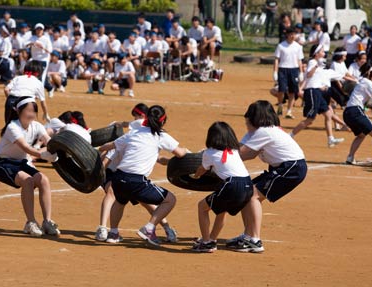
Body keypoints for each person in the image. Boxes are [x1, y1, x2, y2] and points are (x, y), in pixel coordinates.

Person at [99, 105, 188, 246]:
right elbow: (180, 153)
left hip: (119, 178)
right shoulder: (161, 136)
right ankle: (149, 228)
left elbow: (109, 145)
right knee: (170, 199)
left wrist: (96, 150)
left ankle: (113, 233)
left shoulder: (133, 133)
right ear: (162, 121)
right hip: (137, 181)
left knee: (120, 202)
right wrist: (188, 152)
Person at [226, 100, 307, 253]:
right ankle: (248, 236)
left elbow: (243, 154)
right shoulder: (258, 132)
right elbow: (241, 152)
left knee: (252, 196)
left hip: (291, 168)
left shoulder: (264, 131)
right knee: (246, 192)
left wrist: (214, 158)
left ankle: (255, 240)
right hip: (287, 167)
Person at [0, 96, 60, 237]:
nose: (31, 114)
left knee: (44, 180)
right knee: (28, 181)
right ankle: (30, 222)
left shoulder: (37, 126)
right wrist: (43, 156)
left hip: (22, 162)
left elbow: (50, 142)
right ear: (18, 111)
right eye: (28, 110)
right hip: (3, 163)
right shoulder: (12, 127)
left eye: (33, 111)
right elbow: (26, 147)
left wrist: (57, 152)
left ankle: (47, 222)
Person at [191, 122, 253, 253]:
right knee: (221, 210)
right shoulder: (234, 151)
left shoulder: (209, 153)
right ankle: (212, 239)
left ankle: (206, 242)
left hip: (232, 185)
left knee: (202, 207)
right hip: (248, 185)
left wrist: (195, 176)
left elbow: (202, 169)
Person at [290, 44, 345, 148]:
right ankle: (290, 135)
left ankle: (330, 139)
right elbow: (309, 75)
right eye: (322, 51)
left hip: (317, 92)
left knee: (328, 114)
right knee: (310, 120)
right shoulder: (312, 62)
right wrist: (316, 65)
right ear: (316, 53)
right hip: (312, 92)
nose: (324, 53)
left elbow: (317, 78)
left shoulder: (319, 64)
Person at [343, 63, 372, 167]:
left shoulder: (363, 80)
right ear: (370, 73)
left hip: (348, 112)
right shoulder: (367, 82)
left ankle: (350, 157)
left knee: (361, 135)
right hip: (355, 111)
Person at [273, 27, 304, 118]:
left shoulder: (298, 47)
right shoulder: (281, 46)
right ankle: (280, 105)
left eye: (294, 34)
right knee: (281, 90)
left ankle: (289, 111)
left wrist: (301, 72)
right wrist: (275, 72)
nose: (292, 36)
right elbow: (276, 59)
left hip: (294, 69)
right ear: (287, 35)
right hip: (283, 69)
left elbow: (300, 60)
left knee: (292, 92)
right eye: (291, 34)